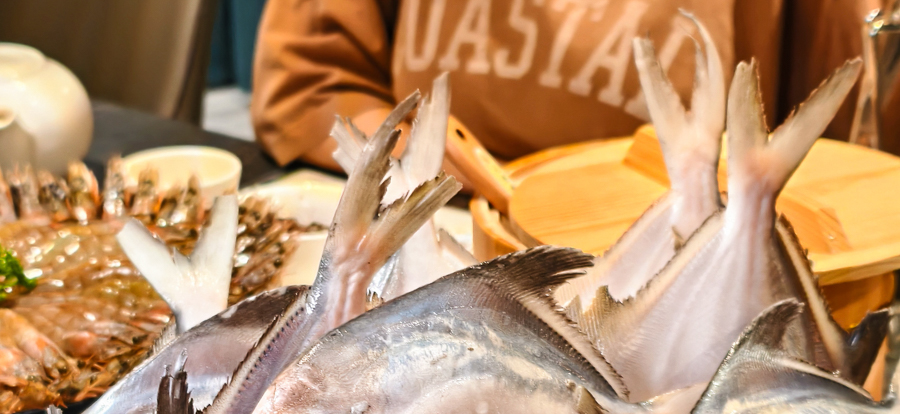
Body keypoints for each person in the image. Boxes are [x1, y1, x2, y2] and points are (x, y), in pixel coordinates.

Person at [251, 0, 881, 172]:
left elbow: (851, 161)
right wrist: (414, 161)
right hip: (436, 231)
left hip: (673, 275)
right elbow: (312, 81)